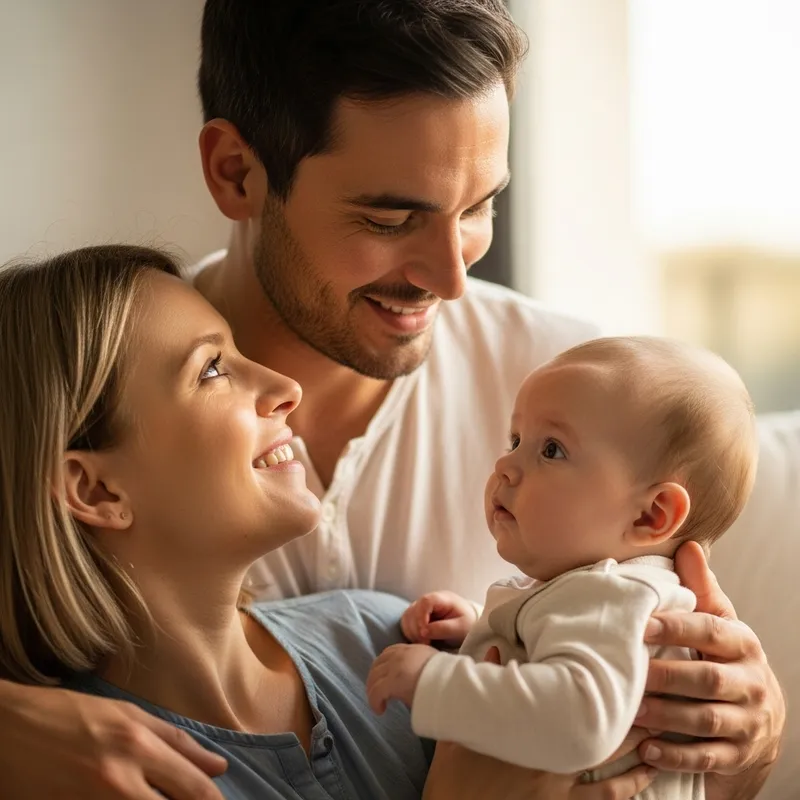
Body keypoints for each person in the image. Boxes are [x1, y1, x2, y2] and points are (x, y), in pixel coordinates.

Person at [0, 1, 784, 798]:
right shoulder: (58, 392)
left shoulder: (586, 395)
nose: (452, 278)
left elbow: (669, 728)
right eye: (390, 216)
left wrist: (742, 742)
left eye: (479, 207)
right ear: (236, 171)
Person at [2, 244, 631, 800]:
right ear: (95, 488)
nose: (284, 387)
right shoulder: (82, 771)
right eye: (212, 369)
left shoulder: (385, 635)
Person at [367, 336, 760, 800]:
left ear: (650, 515)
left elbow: (577, 720)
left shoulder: (614, 594)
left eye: (551, 449)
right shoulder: (610, 600)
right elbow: (570, 649)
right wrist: (484, 625)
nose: (505, 465)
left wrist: (433, 680)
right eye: (516, 440)